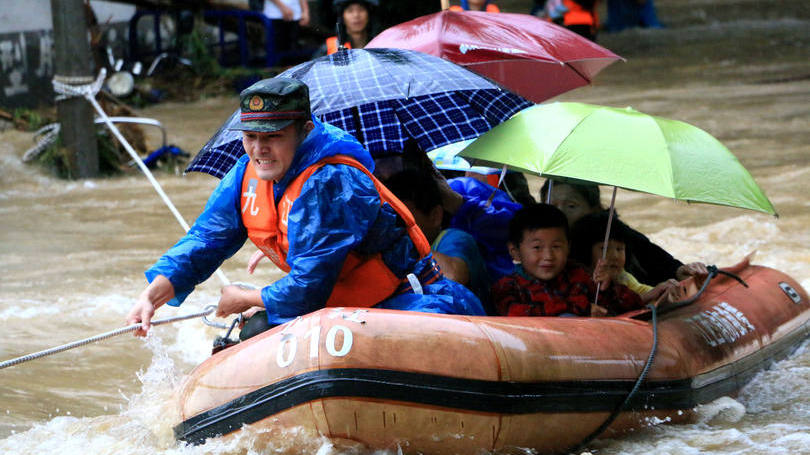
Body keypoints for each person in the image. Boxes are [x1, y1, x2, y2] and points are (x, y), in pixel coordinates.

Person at [126, 78, 484, 339]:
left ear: (304, 130)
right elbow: (207, 239)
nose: (259, 150)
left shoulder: (332, 181)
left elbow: (309, 285)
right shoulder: (244, 174)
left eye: (273, 137)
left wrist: (247, 297)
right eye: (251, 137)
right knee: (255, 331)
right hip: (336, 307)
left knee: (260, 320)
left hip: (404, 302)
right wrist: (152, 296)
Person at [540, 179, 708, 285]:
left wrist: (678, 271)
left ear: (594, 209)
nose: (560, 213)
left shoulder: (611, 232)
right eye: (553, 206)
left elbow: (651, 255)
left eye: (571, 206)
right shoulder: (538, 239)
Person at [492, 203, 642, 317]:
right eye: (537, 247)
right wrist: (576, 308)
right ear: (515, 252)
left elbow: (634, 305)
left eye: (556, 247)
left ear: (568, 247)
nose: (548, 256)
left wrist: (607, 288)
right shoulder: (507, 287)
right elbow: (513, 314)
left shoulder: (578, 276)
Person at [385, 169, 492, 312]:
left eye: (405, 218)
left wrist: (405, 240)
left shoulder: (455, 238)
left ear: (435, 215)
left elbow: (453, 276)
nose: (397, 226)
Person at [570, 211, 685, 305]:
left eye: (620, 249)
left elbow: (641, 290)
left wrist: (663, 291)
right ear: (584, 251)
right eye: (604, 249)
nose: (615, 256)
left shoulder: (623, 277)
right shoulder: (578, 278)